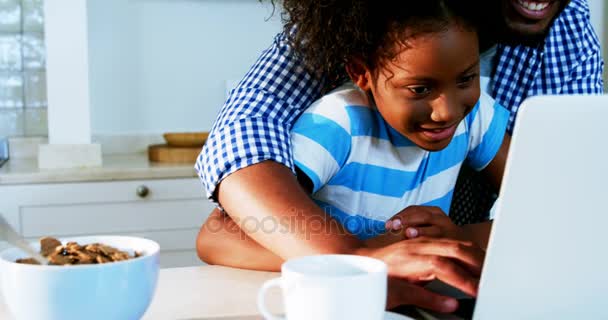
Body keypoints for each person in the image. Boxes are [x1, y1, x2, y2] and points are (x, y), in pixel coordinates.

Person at [195, 0, 604, 313]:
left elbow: (567, 213)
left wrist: (451, 240)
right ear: (362, 73)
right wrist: (359, 259)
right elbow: (223, 216)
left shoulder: (479, 111)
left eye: (465, 78)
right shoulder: (339, 122)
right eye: (420, 88)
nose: (446, 111)